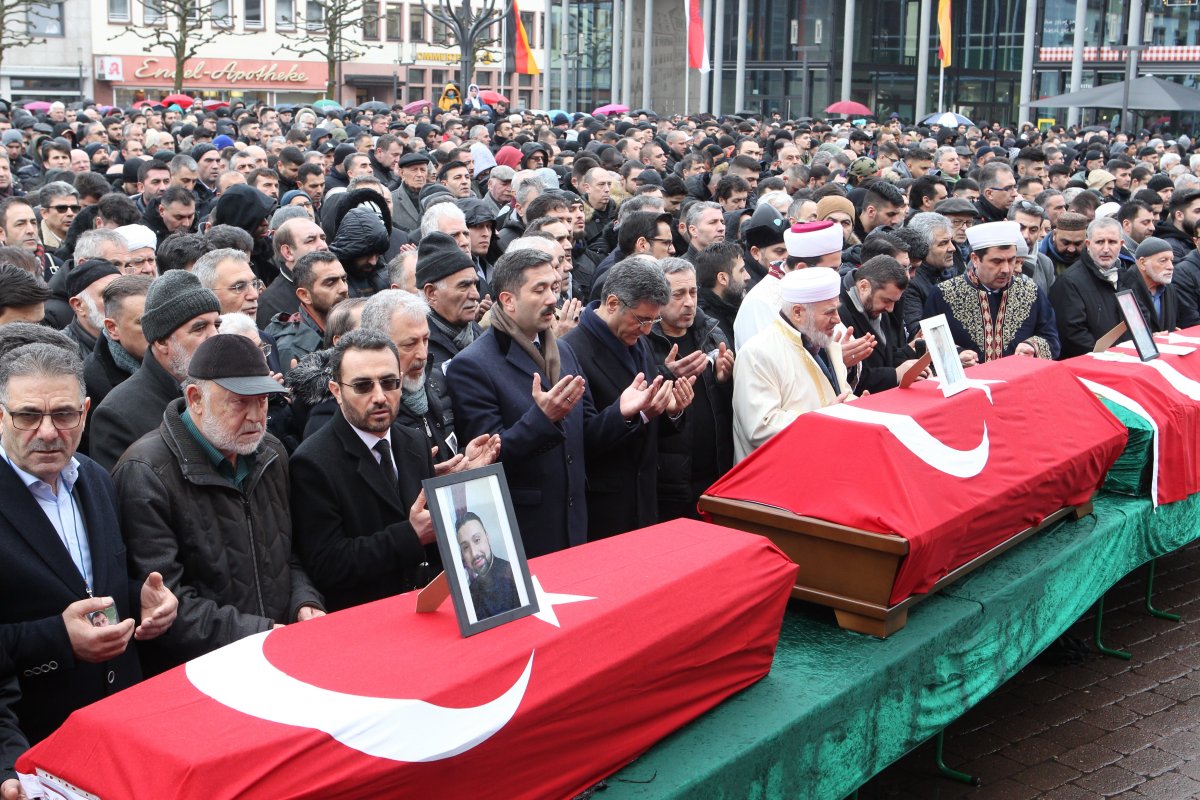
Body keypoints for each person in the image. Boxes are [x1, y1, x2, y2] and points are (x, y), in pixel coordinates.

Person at [112, 335, 323, 672]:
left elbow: (290, 554)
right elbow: (166, 601)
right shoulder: (146, 473)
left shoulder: (270, 452)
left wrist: (304, 601)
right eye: (240, 402)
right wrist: (261, 632)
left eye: (264, 401)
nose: (257, 417)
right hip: (204, 673)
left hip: (280, 652)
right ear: (195, 398)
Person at [0, 342, 177, 743]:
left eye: (63, 414)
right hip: (37, 738)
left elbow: (94, 590)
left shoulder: (95, 478)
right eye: (28, 415)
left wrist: (142, 600)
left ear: (85, 411)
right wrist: (59, 640)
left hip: (123, 718)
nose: (47, 432)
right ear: (0, 417)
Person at [446, 248, 666, 557]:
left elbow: (584, 437)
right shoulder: (472, 366)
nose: (552, 298)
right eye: (539, 289)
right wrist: (542, 419)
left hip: (576, 523)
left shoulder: (563, 353)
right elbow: (484, 460)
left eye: (553, 286)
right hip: (526, 532)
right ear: (508, 300)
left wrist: (623, 412)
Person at [289, 330, 439, 611]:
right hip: (367, 621)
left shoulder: (415, 441)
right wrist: (410, 535)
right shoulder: (312, 462)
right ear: (336, 391)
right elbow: (327, 564)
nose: (380, 397)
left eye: (389, 382)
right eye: (362, 386)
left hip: (426, 608)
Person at [563, 257, 693, 539]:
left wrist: (670, 411)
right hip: (604, 510)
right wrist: (625, 413)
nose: (647, 330)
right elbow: (581, 439)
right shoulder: (572, 350)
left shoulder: (639, 342)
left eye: (653, 320)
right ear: (612, 304)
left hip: (645, 501)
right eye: (642, 319)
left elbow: (649, 423)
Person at [90, 270, 221, 470]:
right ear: (161, 341)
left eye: (216, 325)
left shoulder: (227, 387)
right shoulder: (117, 414)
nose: (214, 336)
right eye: (199, 328)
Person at [647, 258, 735, 521]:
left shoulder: (713, 332)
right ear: (659, 298)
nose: (689, 302)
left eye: (693, 292)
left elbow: (732, 406)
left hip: (716, 472)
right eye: (678, 294)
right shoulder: (644, 341)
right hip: (668, 481)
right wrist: (665, 375)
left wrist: (725, 379)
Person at [732, 267, 849, 461]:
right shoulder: (758, 353)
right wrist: (823, 419)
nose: (837, 319)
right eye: (829, 312)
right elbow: (760, 427)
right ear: (797, 312)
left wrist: (859, 406)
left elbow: (837, 397)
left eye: (837, 309)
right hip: (776, 478)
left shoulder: (827, 344)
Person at [924, 220, 1060, 362]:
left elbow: (1051, 339)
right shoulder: (944, 294)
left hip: (1017, 380)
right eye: (997, 261)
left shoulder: (1030, 292)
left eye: (1011, 260)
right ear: (975, 259)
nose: (1006, 269)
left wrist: (1031, 346)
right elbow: (929, 343)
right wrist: (957, 355)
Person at [735, 220, 843, 349]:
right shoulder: (759, 302)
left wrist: (841, 363)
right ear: (802, 269)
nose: (836, 277)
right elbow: (770, 362)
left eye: (838, 268)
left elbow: (843, 339)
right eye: (831, 270)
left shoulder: (822, 293)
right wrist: (836, 359)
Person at [839, 255, 923, 394]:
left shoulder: (875, 305)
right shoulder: (839, 315)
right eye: (886, 300)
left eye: (894, 301)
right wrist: (895, 375)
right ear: (864, 286)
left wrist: (908, 352)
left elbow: (883, 358)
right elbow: (851, 376)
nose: (890, 309)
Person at [1050, 216, 1128, 359]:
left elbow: (1138, 318)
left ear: (1121, 244)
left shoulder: (1127, 276)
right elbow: (1073, 334)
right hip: (1091, 364)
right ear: (1088, 244)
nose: (1106, 249)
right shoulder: (1069, 282)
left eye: (1112, 242)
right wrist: (1108, 356)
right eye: (1099, 242)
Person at [456, 512, 520, 619]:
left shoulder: (513, 575)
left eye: (477, 540)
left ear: (488, 538)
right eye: (466, 547)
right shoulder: (470, 592)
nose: (474, 553)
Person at [1118, 236, 1178, 334]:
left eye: (1171, 260)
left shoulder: (1169, 288)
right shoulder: (1125, 287)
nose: (1170, 266)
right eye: (1163, 261)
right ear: (1142, 263)